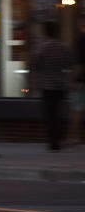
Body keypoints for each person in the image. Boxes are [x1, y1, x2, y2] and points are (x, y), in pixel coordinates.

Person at [31, 21, 74, 151]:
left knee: (49, 115)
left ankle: (52, 142)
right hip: (60, 85)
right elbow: (69, 65)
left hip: (46, 85)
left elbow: (35, 65)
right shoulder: (63, 47)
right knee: (59, 113)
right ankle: (59, 139)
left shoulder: (41, 47)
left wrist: (34, 81)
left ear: (45, 32)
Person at [67, 16, 85, 145]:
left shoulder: (81, 39)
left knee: (77, 109)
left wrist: (73, 79)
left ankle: (74, 137)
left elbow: (80, 63)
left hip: (81, 81)